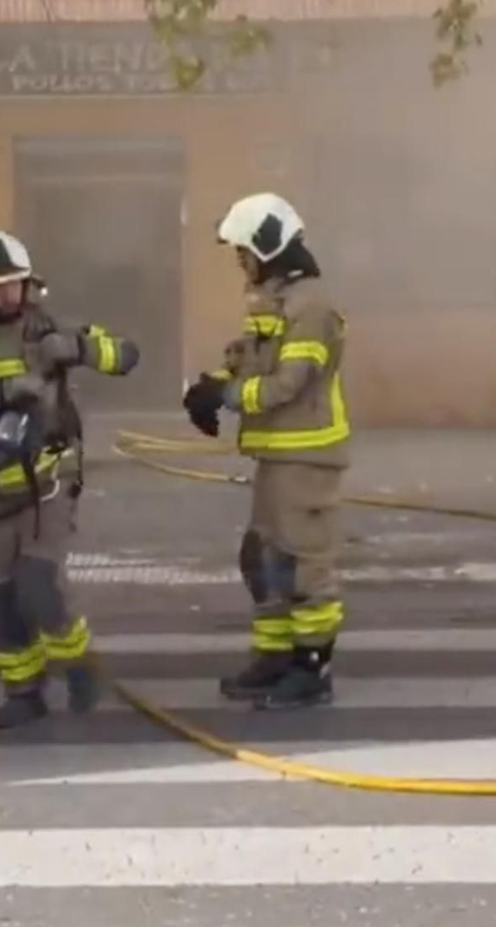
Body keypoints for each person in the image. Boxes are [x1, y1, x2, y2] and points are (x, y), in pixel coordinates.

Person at [0, 228, 140, 729]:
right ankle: (24, 694)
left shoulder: (50, 330)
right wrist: (3, 390)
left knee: (38, 586)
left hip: (47, 487)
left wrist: (80, 347)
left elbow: (127, 355)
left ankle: (79, 667)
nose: (7, 294)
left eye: (16, 284)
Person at [183, 192, 350, 711]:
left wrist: (227, 397)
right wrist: (209, 385)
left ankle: (311, 670)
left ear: (268, 246)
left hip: (307, 456)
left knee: (303, 566)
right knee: (264, 560)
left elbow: (288, 384)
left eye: (243, 251)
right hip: (278, 455)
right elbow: (253, 362)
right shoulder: (275, 303)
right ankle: (275, 657)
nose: (240, 262)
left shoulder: (311, 307)